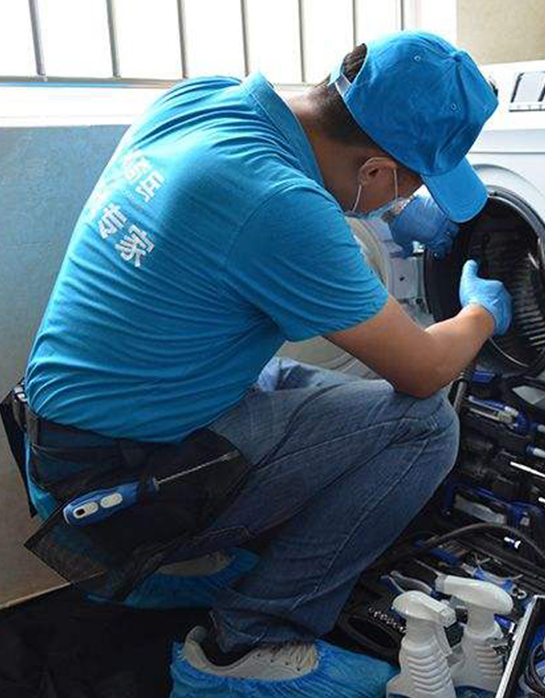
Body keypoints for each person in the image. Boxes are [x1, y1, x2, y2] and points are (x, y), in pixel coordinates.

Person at [20, 31, 510, 697]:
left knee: (323, 386)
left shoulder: (205, 100)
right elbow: (423, 369)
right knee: (423, 426)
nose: (404, 201)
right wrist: (481, 314)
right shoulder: (279, 204)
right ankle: (249, 643)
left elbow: (257, 213)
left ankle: (212, 568)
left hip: (63, 437)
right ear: (373, 172)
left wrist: (388, 218)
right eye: (410, 186)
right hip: (116, 483)